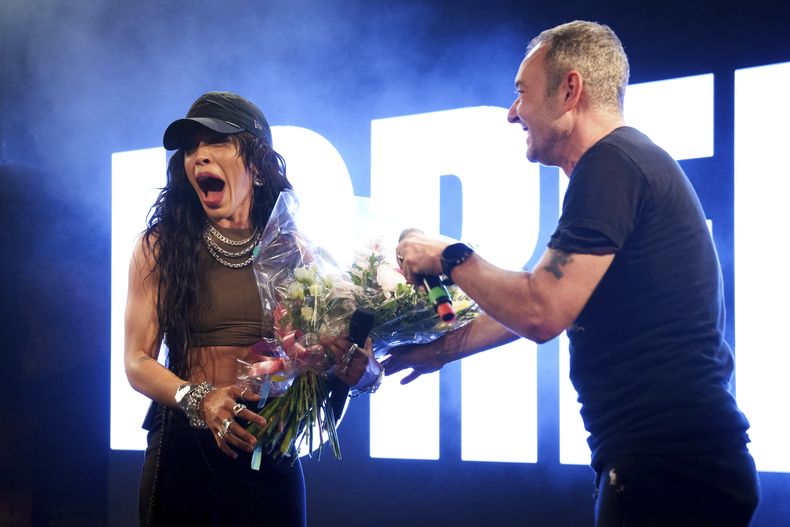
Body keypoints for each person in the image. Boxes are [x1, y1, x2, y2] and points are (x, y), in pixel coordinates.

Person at [385, 21, 760, 527]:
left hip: (670, 472)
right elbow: (551, 298)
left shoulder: (611, 166)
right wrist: (440, 349)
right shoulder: (622, 164)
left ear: (569, 90)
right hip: (681, 470)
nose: (512, 113)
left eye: (522, 92)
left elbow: (541, 310)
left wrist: (448, 254)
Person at [124, 91, 381, 527]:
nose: (200, 156)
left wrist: (361, 373)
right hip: (185, 449)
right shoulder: (161, 247)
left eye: (216, 141)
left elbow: (338, 370)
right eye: (191, 148)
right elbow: (137, 362)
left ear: (258, 165)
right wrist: (200, 400)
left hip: (270, 449)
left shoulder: (299, 253)